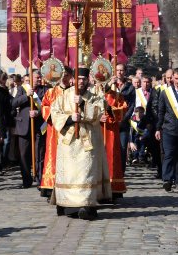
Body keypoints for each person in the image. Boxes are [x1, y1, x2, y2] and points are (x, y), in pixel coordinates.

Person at [49, 67, 111, 220]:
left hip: (87, 143)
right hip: (68, 144)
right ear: (73, 79)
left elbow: (100, 112)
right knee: (69, 174)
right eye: (78, 79)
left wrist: (83, 104)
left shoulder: (94, 96)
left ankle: (86, 205)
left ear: (88, 80)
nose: (81, 82)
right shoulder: (64, 96)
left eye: (84, 79)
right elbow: (54, 113)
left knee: (86, 173)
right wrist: (70, 119)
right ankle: (68, 205)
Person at [39, 69, 72, 198]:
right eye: (62, 75)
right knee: (53, 157)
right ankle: (51, 188)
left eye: (67, 75)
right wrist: (56, 119)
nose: (64, 78)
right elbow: (45, 106)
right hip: (54, 131)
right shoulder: (51, 92)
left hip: (70, 131)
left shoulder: (74, 92)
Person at [12, 70, 47, 189]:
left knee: (39, 154)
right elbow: (14, 103)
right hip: (24, 127)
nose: (39, 79)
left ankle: (39, 179)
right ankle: (26, 180)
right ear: (31, 78)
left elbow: (49, 107)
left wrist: (39, 112)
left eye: (40, 77)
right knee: (24, 155)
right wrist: (26, 96)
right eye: (36, 77)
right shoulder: (22, 89)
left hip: (39, 126)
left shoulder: (45, 90)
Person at [102, 77, 129, 198]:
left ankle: (112, 189)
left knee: (111, 157)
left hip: (111, 132)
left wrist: (110, 109)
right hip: (96, 131)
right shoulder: (92, 94)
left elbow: (123, 109)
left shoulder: (117, 96)